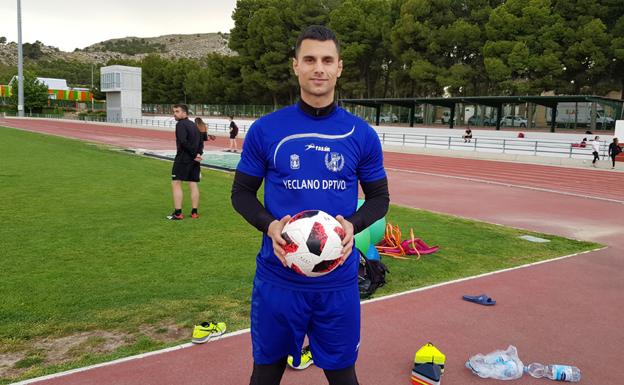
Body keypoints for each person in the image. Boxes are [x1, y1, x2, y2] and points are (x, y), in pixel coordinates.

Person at [231, 25, 389, 385]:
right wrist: (270, 225)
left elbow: (380, 198)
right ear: (296, 66)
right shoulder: (267, 130)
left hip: (338, 283)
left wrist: (352, 224)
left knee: (343, 375)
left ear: (339, 68)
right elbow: (241, 193)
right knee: (266, 373)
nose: (319, 68)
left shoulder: (360, 134)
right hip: (278, 278)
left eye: (327, 60)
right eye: (310, 59)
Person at [167, 104, 203, 220]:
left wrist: (194, 155)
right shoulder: (194, 125)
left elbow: (183, 142)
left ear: (184, 113)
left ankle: (178, 213)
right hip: (194, 160)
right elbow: (200, 142)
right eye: (174, 111)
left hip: (183, 159)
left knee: (176, 183)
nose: (175, 114)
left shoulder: (180, 125)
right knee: (193, 183)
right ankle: (194, 212)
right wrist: (198, 154)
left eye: (177, 111)